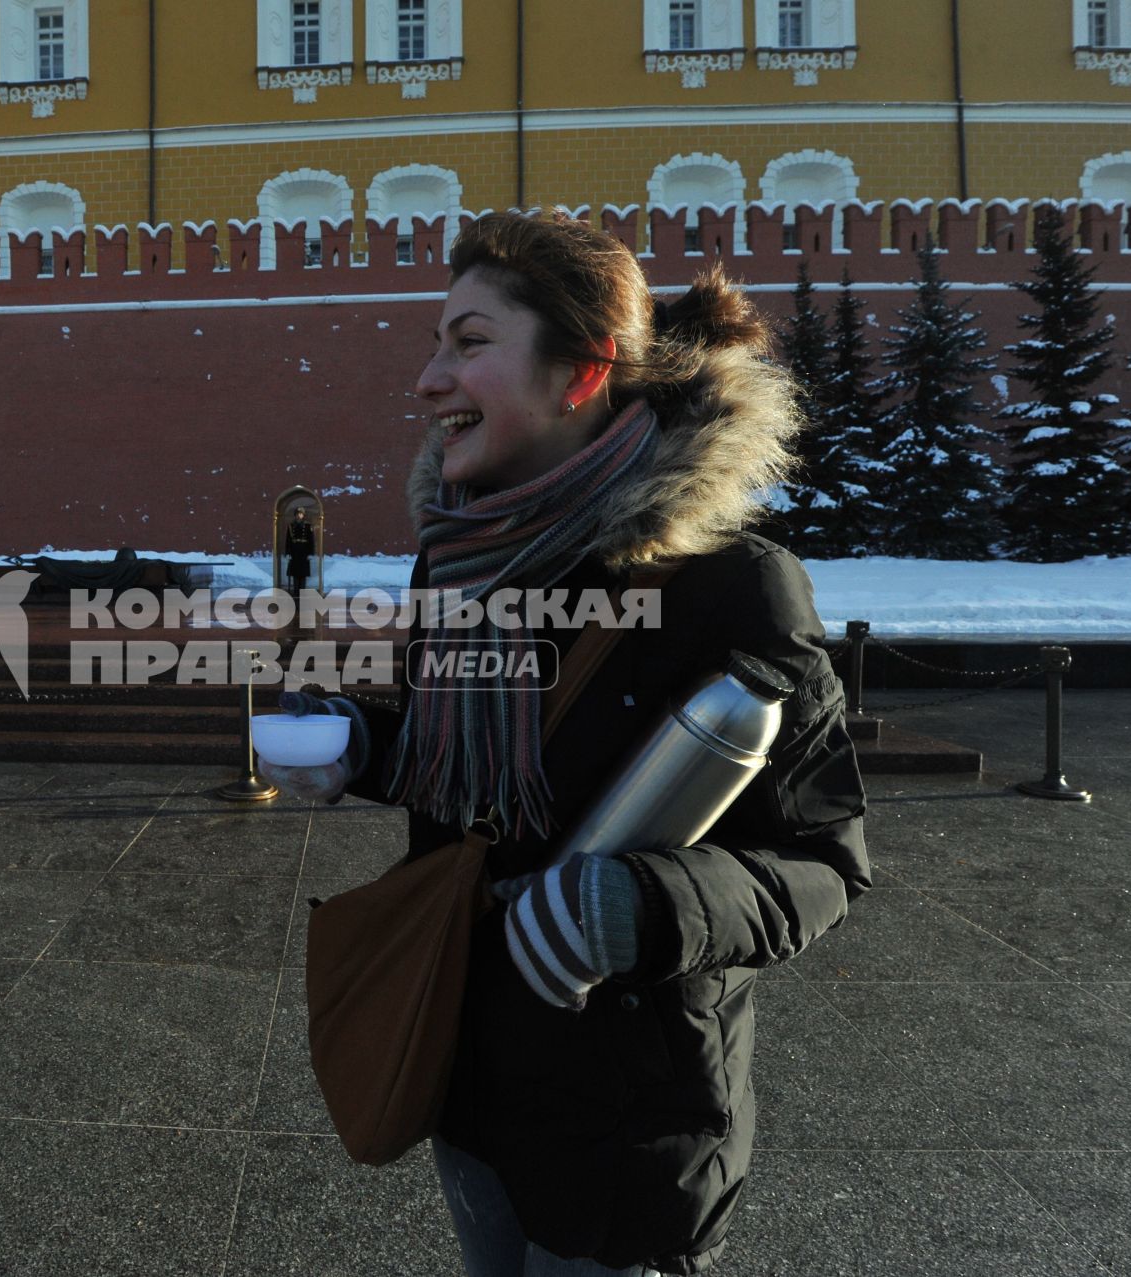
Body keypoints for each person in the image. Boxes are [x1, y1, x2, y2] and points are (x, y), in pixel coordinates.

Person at [265, 211, 869, 1276]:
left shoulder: (729, 586)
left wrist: (645, 905)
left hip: (630, 1128)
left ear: (581, 373)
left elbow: (825, 865)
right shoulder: (458, 562)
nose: (426, 380)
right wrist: (361, 747)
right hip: (469, 1080)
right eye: (435, 343)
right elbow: (470, 782)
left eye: (467, 341)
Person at [284, 505, 317, 598]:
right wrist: (288, 553)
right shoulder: (291, 526)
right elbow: (288, 541)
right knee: (295, 574)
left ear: (303, 515)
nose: (299, 516)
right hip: (294, 552)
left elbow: (311, 540)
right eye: (297, 514)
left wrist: (311, 553)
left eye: (301, 514)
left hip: (304, 552)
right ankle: (296, 592)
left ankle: (302, 593)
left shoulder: (308, 526)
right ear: (295, 515)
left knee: (303, 574)